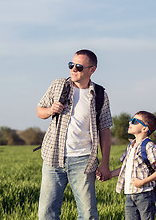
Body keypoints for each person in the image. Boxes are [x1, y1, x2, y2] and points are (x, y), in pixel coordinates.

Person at [37, 49, 113, 220]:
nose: (73, 69)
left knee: (88, 214)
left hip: (84, 160)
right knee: (46, 213)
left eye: (79, 66)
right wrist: (50, 110)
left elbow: (105, 131)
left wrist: (105, 163)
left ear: (91, 70)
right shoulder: (58, 85)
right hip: (53, 158)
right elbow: (39, 111)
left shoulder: (100, 95)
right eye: (71, 65)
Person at [100, 111, 156, 220]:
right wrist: (109, 175)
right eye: (131, 120)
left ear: (145, 128)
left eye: (134, 121)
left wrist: (142, 182)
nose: (130, 122)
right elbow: (125, 168)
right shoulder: (131, 145)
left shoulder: (150, 147)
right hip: (130, 193)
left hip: (145, 193)